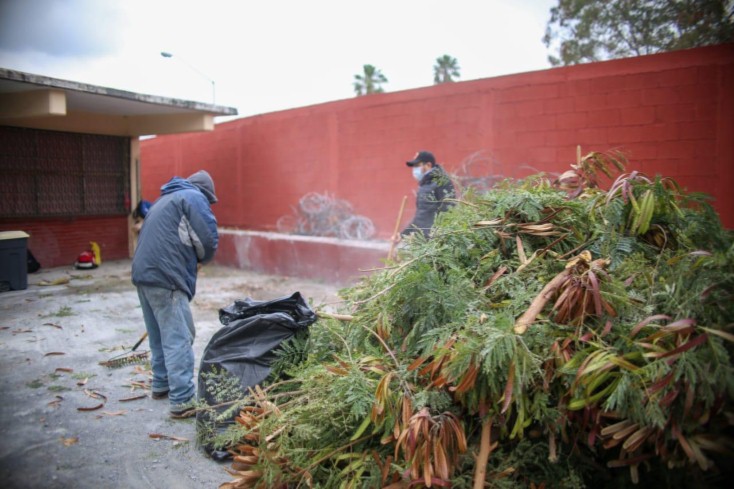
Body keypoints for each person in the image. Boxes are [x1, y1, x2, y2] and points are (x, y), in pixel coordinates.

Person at [131, 170, 219, 418]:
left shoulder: (165, 198)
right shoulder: (193, 197)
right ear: (205, 192)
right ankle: (182, 400)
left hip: (143, 273)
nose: (208, 205)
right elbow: (207, 240)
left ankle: (161, 384)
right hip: (165, 275)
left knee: (159, 334)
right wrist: (202, 258)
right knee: (179, 337)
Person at [400, 150, 455, 239]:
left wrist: (439, 236)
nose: (415, 169)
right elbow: (421, 215)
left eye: (417, 166)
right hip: (422, 238)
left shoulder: (442, 181)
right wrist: (403, 235)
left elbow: (448, 209)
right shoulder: (425, 185)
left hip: (434, 240)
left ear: (428, 165)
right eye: (414, 166)